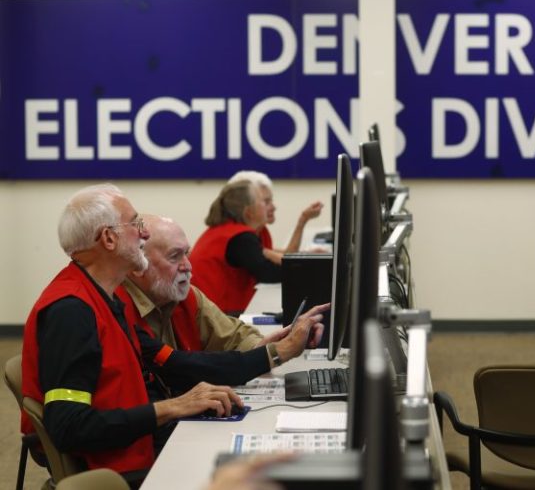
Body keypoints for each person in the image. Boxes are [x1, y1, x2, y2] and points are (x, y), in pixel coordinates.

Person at [20, 183, 328, 486]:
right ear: (109, 239)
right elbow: (69, 426)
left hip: (140, 448)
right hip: (123, 470)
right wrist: (172, 407)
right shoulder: (72, 311)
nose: (143, 233)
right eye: (135, 224)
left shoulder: (103, 297)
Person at [118, 214, 290, 352]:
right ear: (137, 265)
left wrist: (265, 349)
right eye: (174, 256)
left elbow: (234, 336)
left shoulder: (186, 296)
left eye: (186, 254)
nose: (187, 266)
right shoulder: (115, 312)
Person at [189, 180, 281, 316]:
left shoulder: (225, 230)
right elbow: (268, 273)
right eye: (264, 202)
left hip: (210, 309)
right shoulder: (240, 238)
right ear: (249, 212)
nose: (271, 207)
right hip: (217, 314)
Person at [228, 171, 323, 264]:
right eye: (266, 202)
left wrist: (306, 254)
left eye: (271, 201)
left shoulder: (260, 230)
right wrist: (303, 219)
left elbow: (285, 255)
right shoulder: (240, 239)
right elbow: (287, 262)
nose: (273, 207)